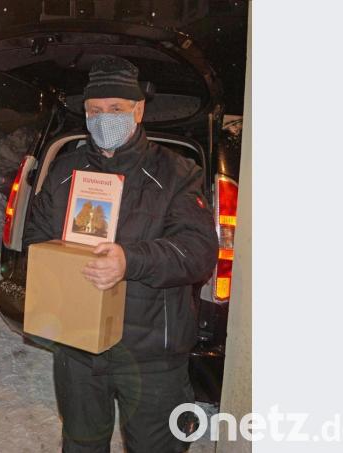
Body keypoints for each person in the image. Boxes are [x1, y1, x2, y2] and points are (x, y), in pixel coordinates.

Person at [23, 56, 219, 452]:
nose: (103, 118)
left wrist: (131, 260)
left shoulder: (176, 173)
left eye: (116, 109)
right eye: (95, 110)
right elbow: (34, 237)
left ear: (139, 110)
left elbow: (198, 251)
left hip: (151, 355)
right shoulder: (65, 170)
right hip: (78, 350)